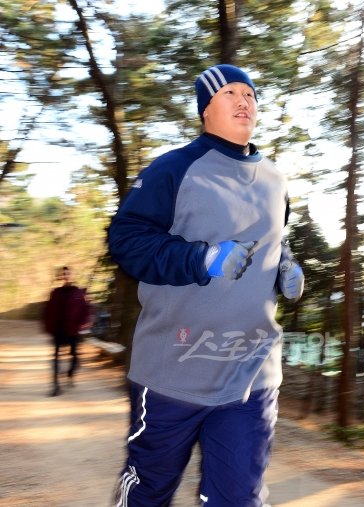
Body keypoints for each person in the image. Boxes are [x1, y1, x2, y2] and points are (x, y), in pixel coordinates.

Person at [108, 63, 304, 507]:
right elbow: (127, 241)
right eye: (229, 93)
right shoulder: (174, 169)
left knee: (239, 499)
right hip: (173, 369)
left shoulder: (275, 179)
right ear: (205, 109)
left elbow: (274, 240)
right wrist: (201, 258)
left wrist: (285, 265)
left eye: (249, 94)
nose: (243, 100)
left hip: (251, 372)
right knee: (148, 493)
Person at [43, 266, 91, 397]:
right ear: (61, 276)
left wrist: (83, 324)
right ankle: (55, 386)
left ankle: (70, 373)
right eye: (63, 274)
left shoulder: (79, 292)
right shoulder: (56, 293)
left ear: (72, 275)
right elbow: (48, 310)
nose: (65, 276)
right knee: (56, 358)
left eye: (68, 273)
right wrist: (48, 327)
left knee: (75, 358)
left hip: (73, 330)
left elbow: (86, 309)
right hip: (58, 330)